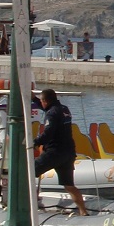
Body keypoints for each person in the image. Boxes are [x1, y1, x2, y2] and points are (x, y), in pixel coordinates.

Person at [33, 88, 88, 216]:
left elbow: (48, 133)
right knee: (69, 185)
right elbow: (47, 107)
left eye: (41, 101)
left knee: (28, 174)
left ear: (45, 101)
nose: (40, 103)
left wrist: (35, 142)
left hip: (55, 152)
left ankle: (29, 203)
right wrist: (33, 98)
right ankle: (83, 211)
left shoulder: (51, 113)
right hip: (68, 152)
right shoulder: (64, 109)